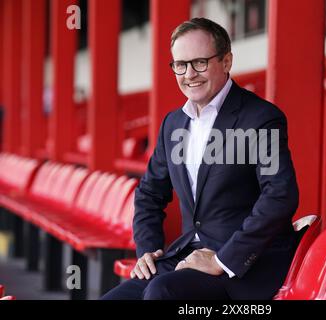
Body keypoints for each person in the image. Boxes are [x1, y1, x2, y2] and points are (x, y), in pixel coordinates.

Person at [102, 17, 299, 300]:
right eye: (180, 65)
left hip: (243, 266)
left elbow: (280, 195)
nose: (189, 74)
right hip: (187, 257)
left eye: (200, 63)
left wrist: (222, 260)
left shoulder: (260, 118)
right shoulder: (173, 124)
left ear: (227, 61)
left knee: (162, 292)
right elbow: (148, 193)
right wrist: (148, 248)